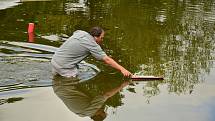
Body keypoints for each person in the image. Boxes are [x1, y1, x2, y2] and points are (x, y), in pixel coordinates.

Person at [51, 26, 132, 78]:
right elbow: (107, 60)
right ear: (95, 37)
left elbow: (75, 33)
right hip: (64, 67)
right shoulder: (92, 45)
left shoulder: (81, 32)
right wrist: (123, 69)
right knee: (72, 82)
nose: (102, 40)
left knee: (56, 78)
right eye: (102, 38)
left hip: (54, 60)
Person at [52, 74, 130, 121]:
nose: (102, 109)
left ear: (98, 114)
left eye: (103, 111)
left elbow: (106, 95)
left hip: (64, 84)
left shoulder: (91, 110)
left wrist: (122, 85)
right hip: (56, 87)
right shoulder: (81, 114)